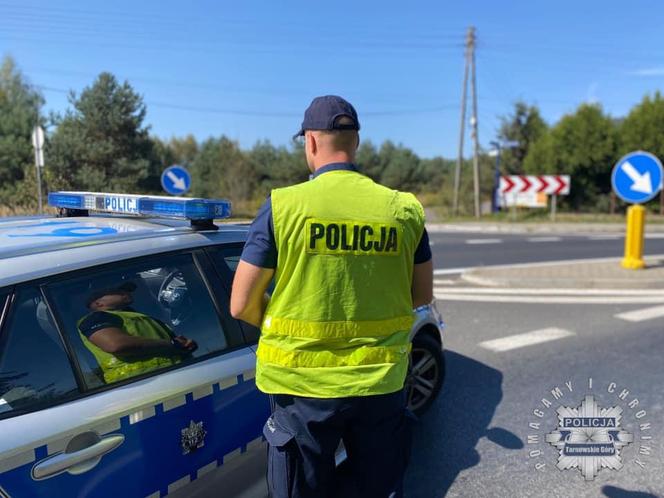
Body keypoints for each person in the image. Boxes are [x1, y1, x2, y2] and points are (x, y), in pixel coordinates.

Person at [230, 95, 434, 497]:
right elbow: (420, 296)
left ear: (309, 142)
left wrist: (282, 323)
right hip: (380, 383)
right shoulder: (403, 210)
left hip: (301, 388)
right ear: (355, 143)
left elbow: (241, 304)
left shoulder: (283, 207)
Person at [78, 281, 198, 383]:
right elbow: (116, 345)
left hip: (174, 376)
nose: (126, 293)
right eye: (118, 292)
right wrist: (171, 344)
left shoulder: (138, 317)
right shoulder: (96, 318)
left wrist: (183, 346)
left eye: (127, 290)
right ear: (98, 303)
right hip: (141, 384)